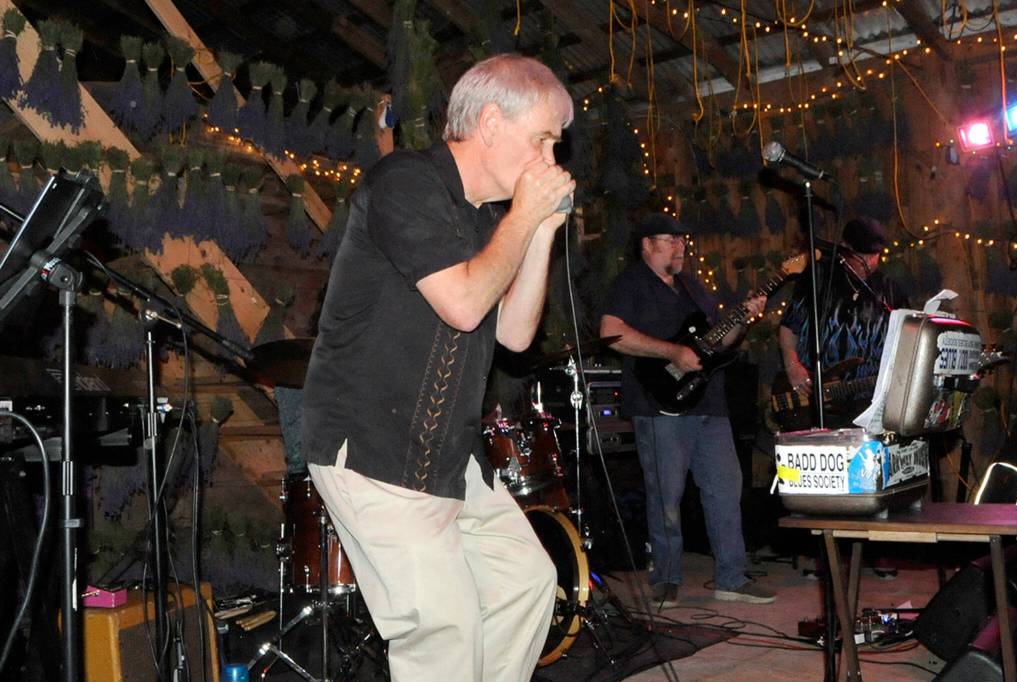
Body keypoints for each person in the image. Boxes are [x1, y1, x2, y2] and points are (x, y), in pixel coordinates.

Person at [300, 54, 575, 681]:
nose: (551, 159)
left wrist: (540, 234)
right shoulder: (404, 181)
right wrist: (525, 217)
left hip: (450, 453)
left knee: (527, 584)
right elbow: (464, 304)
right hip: (374, 447)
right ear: (489, 123)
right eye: (543, 138)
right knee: (442, 631)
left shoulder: (489, 220)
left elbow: (513, 332)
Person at [599, 214, 775, 608]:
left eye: (682, 240)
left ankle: (731, 576)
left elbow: (718, 342)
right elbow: (610, 332)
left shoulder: (693, 287)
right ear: (648, 244)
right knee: (666, 496)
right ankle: (665, 576)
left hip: (709, 403)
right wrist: (671, 351)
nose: (680, 247)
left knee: (725, 491)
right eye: (671, 240)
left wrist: (743, 318)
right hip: (658, 405)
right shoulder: (631, 284)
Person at [778, 217, 908, 427]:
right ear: (845, 249)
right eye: (863, 256)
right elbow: (789, 327)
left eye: (875, 255)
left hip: (868, 403)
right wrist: (793, 366)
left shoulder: (889, 290)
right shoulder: (819, 279)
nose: (870, 263)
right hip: (815, 400)